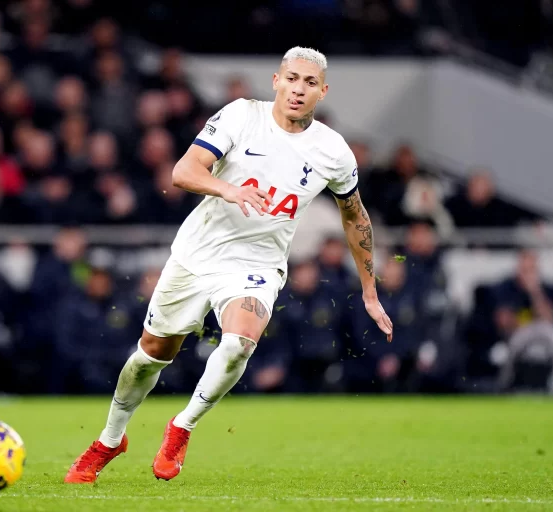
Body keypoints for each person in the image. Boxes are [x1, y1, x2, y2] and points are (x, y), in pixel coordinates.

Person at [65, 47, 393, 484]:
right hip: (198, 253)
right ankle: (111, 439)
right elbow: (183, 171)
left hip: (257, 264)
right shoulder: (242, 116)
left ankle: (182, 426)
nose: (298, 89)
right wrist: (228, 189)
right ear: (276, 80)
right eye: (291, 78)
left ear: (323, 91)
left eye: (309, 82)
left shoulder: (333, 151)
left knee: (240, 342)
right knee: (150, 357)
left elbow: (356, 216)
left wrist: (369, 290)